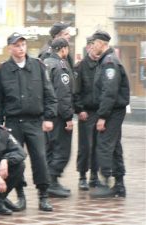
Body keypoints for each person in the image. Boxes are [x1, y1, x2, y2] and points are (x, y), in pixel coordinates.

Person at [0, 32, 57, 212]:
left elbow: (49, 94)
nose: (21, 48)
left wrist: (49, 117)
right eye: (16, 45)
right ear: (10, 48)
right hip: (13, 122)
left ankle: (43, 196)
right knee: (15, 160)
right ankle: (20, 195)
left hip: (35, 121)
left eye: (23, 45)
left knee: (40, 158)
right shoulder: (3, 70)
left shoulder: (38, 66)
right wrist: (0, 123)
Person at [89, 30, 130, 198]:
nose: (92, 47)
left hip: (112, 111)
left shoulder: (109, 62)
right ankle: (119, 184)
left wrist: (103, 116)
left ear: (101, 43)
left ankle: (107, 182)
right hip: (113, 110)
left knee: (104, 145)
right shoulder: (106, 60)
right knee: (114, 147)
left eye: (93, 43)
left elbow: (109, 92)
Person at [43, 38, 74, 198]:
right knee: (62, 150)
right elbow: (63, 94)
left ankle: (49, 182)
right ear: (63, 49)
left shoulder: (44, 63)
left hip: (46, 115)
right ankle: (52, 181)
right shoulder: (60, 66)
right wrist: (68, 117)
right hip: (59, 116)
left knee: (50, 149)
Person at [73, 36, 101, 191]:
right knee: (85, 146)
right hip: (86, 112)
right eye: (94, 46)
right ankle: (82, 176)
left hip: (101, 112)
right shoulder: (81, 66)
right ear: (89, 47)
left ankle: (95, 176)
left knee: (98, 145)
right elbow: (75, 92)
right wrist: (80, 109)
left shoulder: (104, 64)